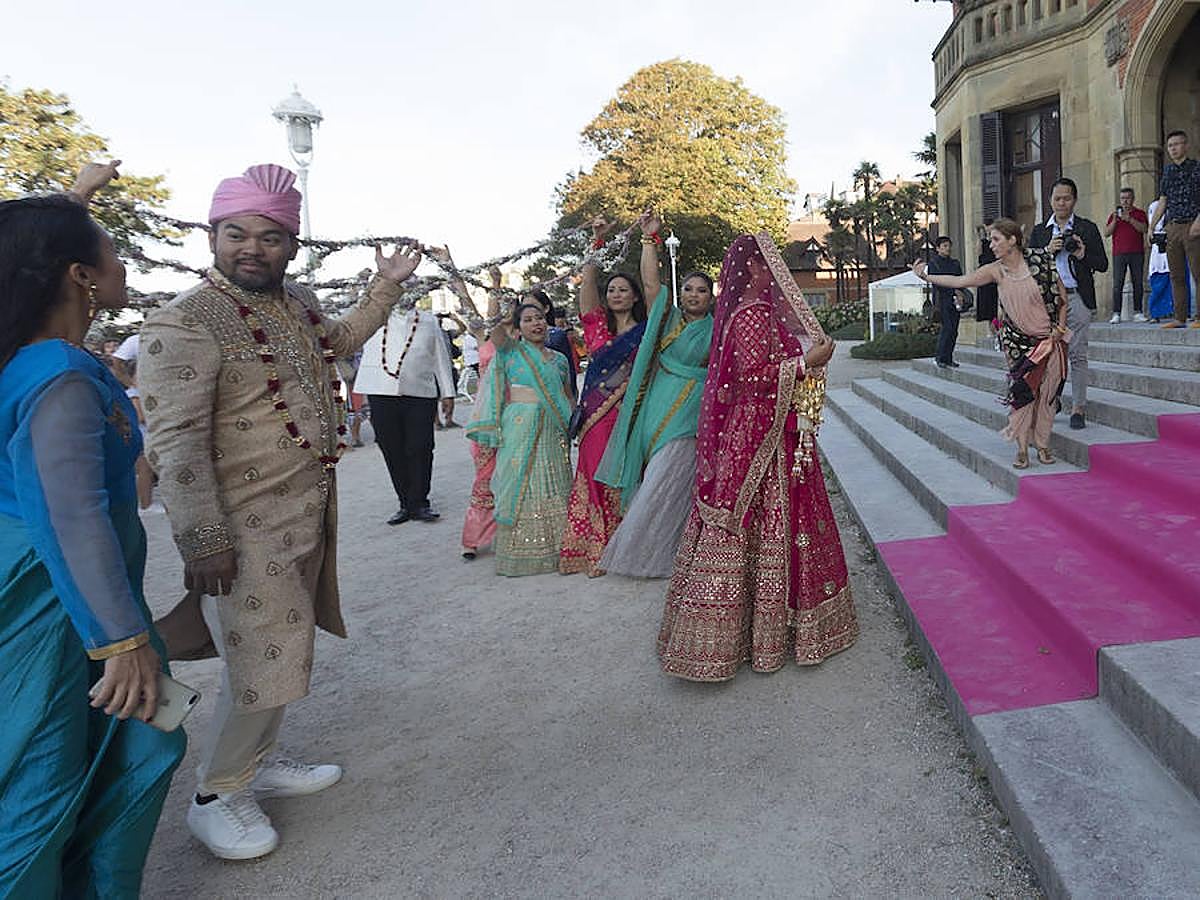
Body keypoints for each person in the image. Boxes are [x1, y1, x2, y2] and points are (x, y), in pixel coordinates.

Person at [139, 163, 423, 861]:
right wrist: (202, 538)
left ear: (291, 247)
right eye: (237, 234)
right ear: (213, 235)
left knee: (275, 654)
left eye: (270, 238)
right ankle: (216, 796)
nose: (252, 249)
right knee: (260, 660)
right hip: (239, 531)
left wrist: (386, 285)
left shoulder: (291, 306)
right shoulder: (182, 321)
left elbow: (343, 341)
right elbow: (173, 444)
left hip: (304, 515)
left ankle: (256, 764)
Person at [0, 163, 185, 896]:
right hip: (56, 608)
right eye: (111, 249)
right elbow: (72, 513)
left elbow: (28, 247)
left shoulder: (35, 360)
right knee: (41, 787)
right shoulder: (61, 379)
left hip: (69, 599)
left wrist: (74, 200)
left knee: (130, 748)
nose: (124, 261)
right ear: (79, 274)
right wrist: (123, 642)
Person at [657, 232, 857, 681]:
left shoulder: (758, 314)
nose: (779, 273)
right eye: (771, 265)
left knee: (779, 522)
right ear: (753, 269)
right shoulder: (751, 315)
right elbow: (750, 380)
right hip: (758, 436)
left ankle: (769, 631)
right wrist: (807, 364)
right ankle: (736, 638)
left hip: (769, 431)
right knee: (754, 520)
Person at [597, 211, 714, 577]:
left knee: (673, 480)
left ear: (712, 297)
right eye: (690, 289)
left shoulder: (718, 330)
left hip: (693, 413)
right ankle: (642, 554)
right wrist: (650, 240)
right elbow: (650, 286)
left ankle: (657, 555)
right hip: (656, 409)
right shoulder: (669, 318)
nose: (694, 295)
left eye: (702, 290)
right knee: (657, 478)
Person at [916, 218, 1069, 469]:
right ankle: (1022, 449)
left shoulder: (1041, 261)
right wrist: (925, 275)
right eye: (990, 238)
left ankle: (1042, 443)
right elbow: (959, 281)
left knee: (1048, 395)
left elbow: (1062, 299)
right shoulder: (995, 270)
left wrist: (1060, 329)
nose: (991, 243)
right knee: (1023, 393)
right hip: (1017, 342)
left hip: (1050, 340)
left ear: (1012, 240)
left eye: (996, 239)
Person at [559, 220, 648, 576]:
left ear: (636, 296)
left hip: (631, 413)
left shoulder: (646, 332)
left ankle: (627, 549)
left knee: (628, 477)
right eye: (612, 290)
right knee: (595, 475)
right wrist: (595, 245)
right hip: (596, 417)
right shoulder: (597, 328)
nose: (616, 294)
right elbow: (587, 290)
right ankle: (595, 548)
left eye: (623, 289)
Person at [466, 304, 573, 575]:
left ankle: (561, 547)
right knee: (518, 480)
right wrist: (495, 293)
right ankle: (521, 551)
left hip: (553, 425)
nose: (536, 323)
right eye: (527, 320)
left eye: (539, 318)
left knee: (555, 479)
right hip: (519, 424)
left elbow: (568, 393)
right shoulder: (511, 351)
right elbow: (495, 332)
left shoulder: (559, 359)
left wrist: (573, 423)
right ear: (518, 326)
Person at [355, 273, 456, 525]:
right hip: (381, 390)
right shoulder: (374, 317)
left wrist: (448, 392)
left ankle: (420, 502)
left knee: (421, 446)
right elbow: (357, 312)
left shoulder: (429, 321)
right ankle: (404, 502)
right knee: (392, 447)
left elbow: (440, 358)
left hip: (420, 391)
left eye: (411, 288)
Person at [1028, 177, 1108, 430]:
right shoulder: (1040, 231)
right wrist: (1046, 250)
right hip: (1049, 302)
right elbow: (1028, 266)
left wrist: (1082, 253)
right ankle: (1055, 397)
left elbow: (1102, 264)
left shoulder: (1087, 228)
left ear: (1074, 200)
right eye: (1057, 198)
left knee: (1077, 353)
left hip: (1077, 297)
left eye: (1066, 198)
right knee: (1050, 354)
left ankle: (1079, 407)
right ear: (1050, 200)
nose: (1061, 203)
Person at [1149, 130, 1200, 328]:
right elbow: (1163, 201)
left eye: (1177, 144)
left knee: (1197, 272)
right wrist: (1152, 226)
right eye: (1170, 146)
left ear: (1185, 145)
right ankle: (1179, 317)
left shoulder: (1196, 168)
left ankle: (1198, 317)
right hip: (1173, 226)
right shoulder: (1168, 172)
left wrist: (1198, 221)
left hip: (1192, 224)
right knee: (1176, 275)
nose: (1173, 149)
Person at [1104, 187, 1148, 323]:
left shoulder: (1139, 213)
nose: (1125, 201)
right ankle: (1116, 313)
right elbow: (1106, 233)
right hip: (1119, 254)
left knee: (1138, 283)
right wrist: (1115, 221)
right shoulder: (1114, 215)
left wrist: (1129, 219)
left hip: (1137, 252)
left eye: (1128, 198)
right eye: (1123, 198)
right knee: (1118, 284)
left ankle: (1138, 312)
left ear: (1133, 199)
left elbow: (1144, 229)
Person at [928, 236, 963, 368]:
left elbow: (961, 279)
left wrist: (960, 292)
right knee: (947, 328)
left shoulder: (955, 263)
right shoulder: (933, 264)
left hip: (955, 299)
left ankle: (949, 358)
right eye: (944, 246)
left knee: (954, 330)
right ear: (938, 248)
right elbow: (936, 282)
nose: (947, 249)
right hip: (942, 299)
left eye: (948, 246)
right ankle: (940, 357)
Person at [1147, 197, 1182, 322]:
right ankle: (1155, 313)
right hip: (1161, 247)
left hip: (1177, 243)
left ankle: (1178, 312)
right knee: (1159, 282)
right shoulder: (1155, 205)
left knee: (1176, 280)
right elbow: (1155, 225)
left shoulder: (1179, 203)